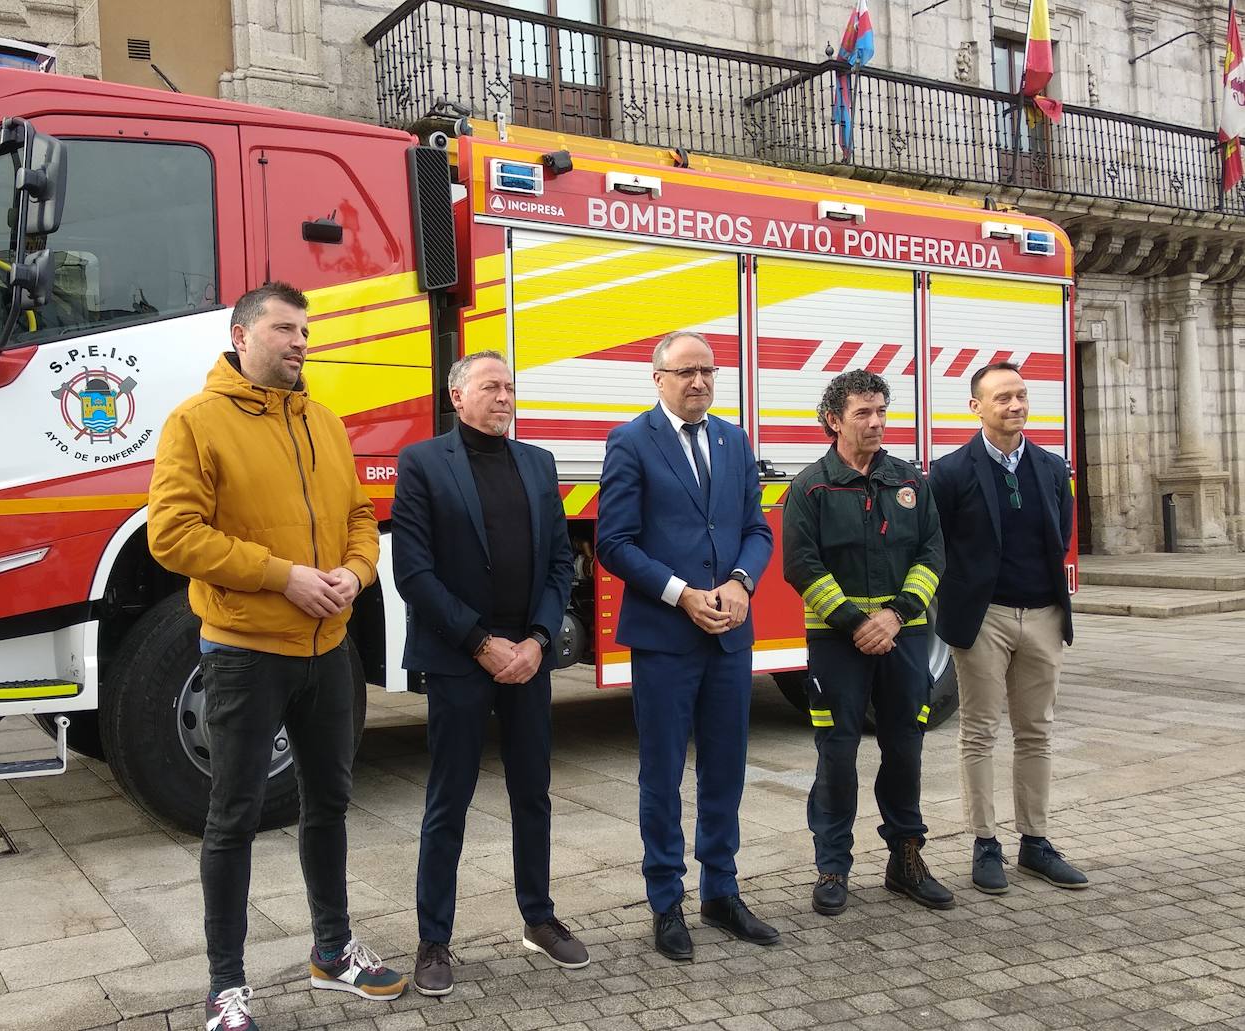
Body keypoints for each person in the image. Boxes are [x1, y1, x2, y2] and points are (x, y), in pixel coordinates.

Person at [148, 282, 406, 1031]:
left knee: (328, 803)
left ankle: (333, 951)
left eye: (305, 329)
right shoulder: (196, 422)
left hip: (328, 650)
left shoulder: (322, 420)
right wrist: (283, 575)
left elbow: (360, 515)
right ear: (240, 336)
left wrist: (354, 574)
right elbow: (173, 534)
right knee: (231, 817)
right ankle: (226, 987)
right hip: (243, 653)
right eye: (285, 328)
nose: (300, 340)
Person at [391, 350, 586, 997]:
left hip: (527, 659)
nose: (504, 397)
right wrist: (481, 642)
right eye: (491, 386)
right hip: (459, 659)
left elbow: (562, 564)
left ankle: (539, 918)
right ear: (457, 396)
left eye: (509, 387)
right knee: (449, 798)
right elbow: (413, 572)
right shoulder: (423, 464)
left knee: (533, 792)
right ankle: (434, 938)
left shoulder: (538, 463)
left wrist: (535, 639)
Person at [596, 331, 778, 962]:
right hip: (667, 638)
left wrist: (739, 581)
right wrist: (682, 594)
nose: (698, 381)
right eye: (685, 372)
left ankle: (721, 892)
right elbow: (613, 543)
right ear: (658, 378)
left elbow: (755, 529)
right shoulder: (630, 441)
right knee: (663, 773)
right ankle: (666, 901)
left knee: (725, 768)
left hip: (729, 636)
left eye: (707, 370)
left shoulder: (733, 440)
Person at [782, 369, 952, 917]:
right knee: (837, 755)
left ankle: (906, 859)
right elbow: (800, 565)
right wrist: (857, 621)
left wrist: (897, 616)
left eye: (881, 411)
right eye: (863, 413)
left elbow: (933, 554)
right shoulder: (810, 487)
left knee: (905, 747)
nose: (876, 422)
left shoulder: (910, 482)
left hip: (904, 636)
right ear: (834, 420)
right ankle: (833, 867)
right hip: (837, 642)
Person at [928, 361, 1086, 895]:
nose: (1015, 405)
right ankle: (984, 844)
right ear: (976, 407)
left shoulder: (1050, 465)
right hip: (985, 619)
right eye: (1003, 398)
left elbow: (1058, 533)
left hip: (1043, 616)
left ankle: (1035, 843)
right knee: (979, 733)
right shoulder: (950, 472)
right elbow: (937, 545)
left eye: (1021, 395)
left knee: (1036, 732)